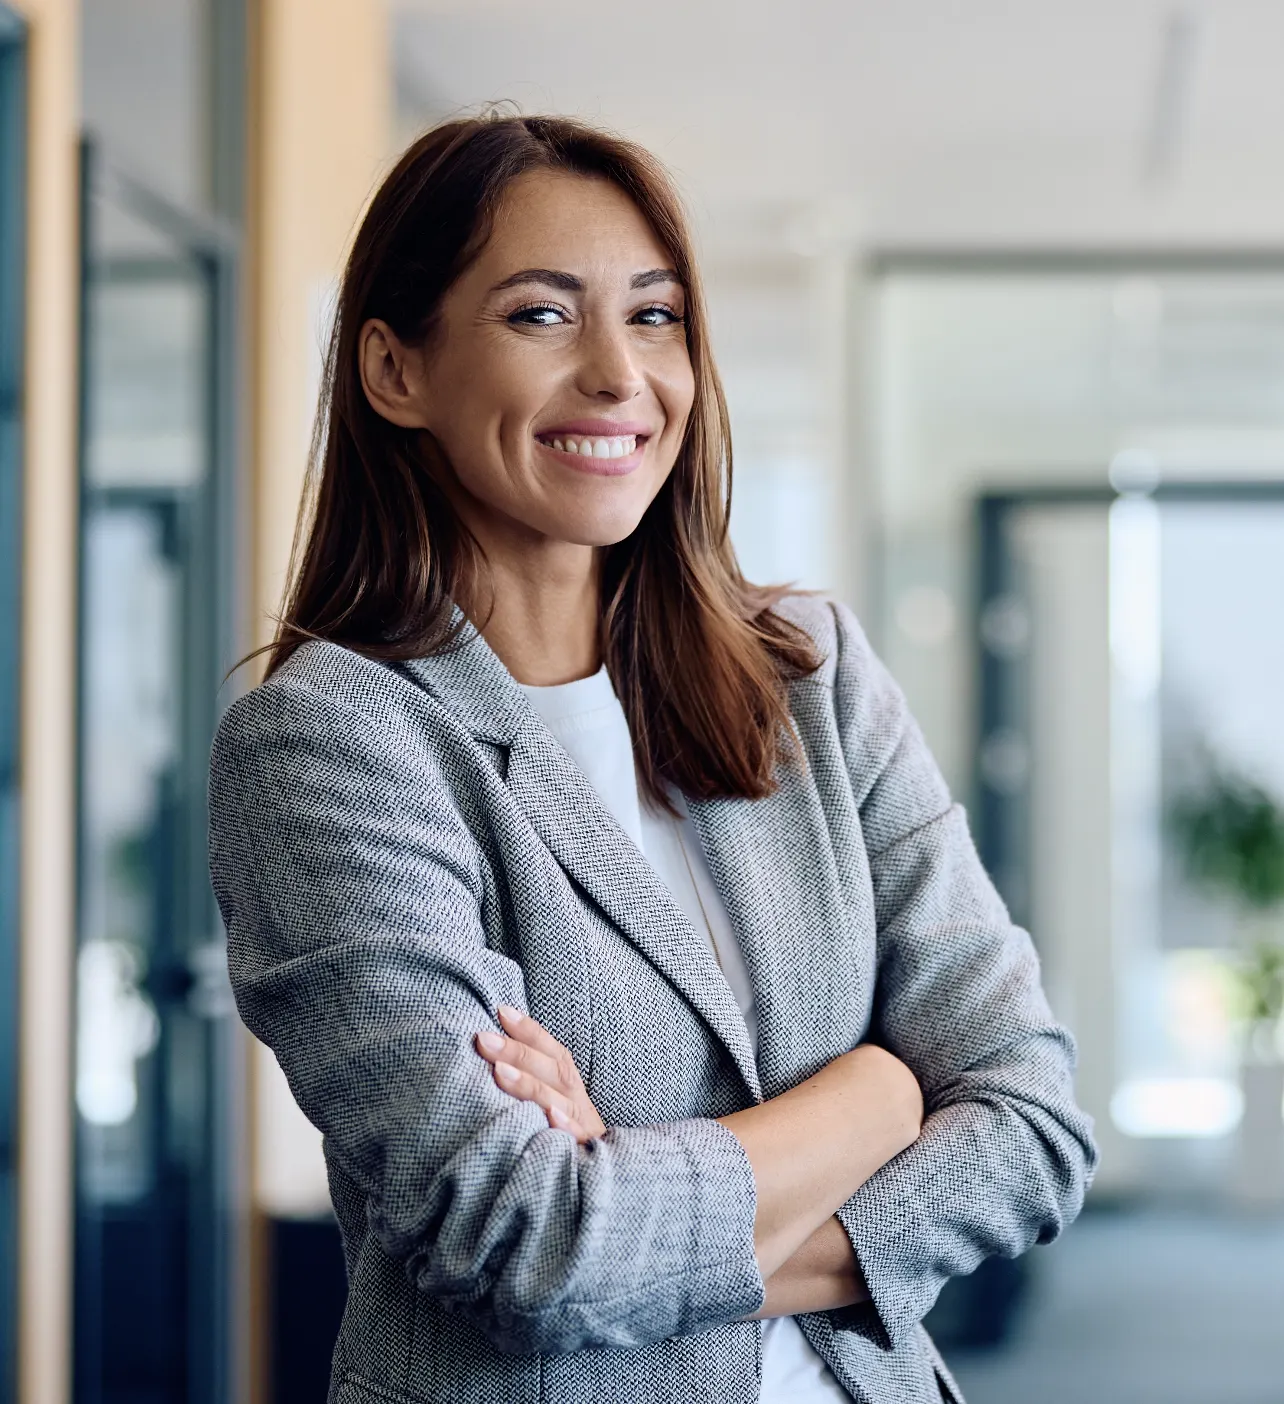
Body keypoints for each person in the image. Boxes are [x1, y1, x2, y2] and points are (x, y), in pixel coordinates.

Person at [208, 113, 1096, 1404]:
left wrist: (630, 1182)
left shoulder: (810, 678)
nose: (621, 376)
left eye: (657, 315)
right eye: (540, 316)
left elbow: (1028, 1118)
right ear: (396, 370)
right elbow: (529, 1240)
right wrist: (878, 1096)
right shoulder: (334, 741)